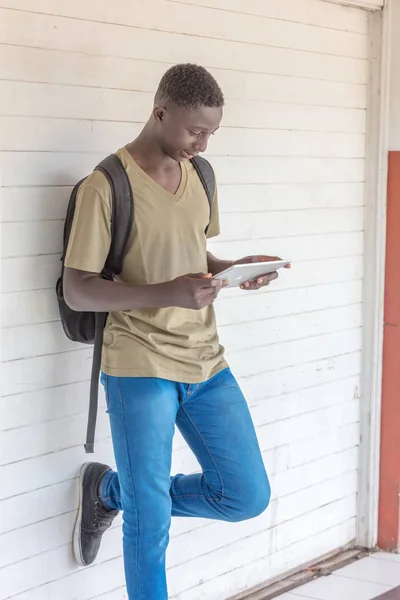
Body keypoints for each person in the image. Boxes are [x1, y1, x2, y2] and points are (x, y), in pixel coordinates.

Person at [63, 64, 284, 600]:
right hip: (138, 362)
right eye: (194, 131)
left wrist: (232, 268)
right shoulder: (105, 185)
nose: (202, 142)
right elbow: (79, 289)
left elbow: (190, 250)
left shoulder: (201, 174)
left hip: (206, 360)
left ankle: (113, 491)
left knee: (245, 495)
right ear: (160, 112)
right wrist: (169, 293)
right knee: (151, 522)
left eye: (211, 132)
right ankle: (137, 499)